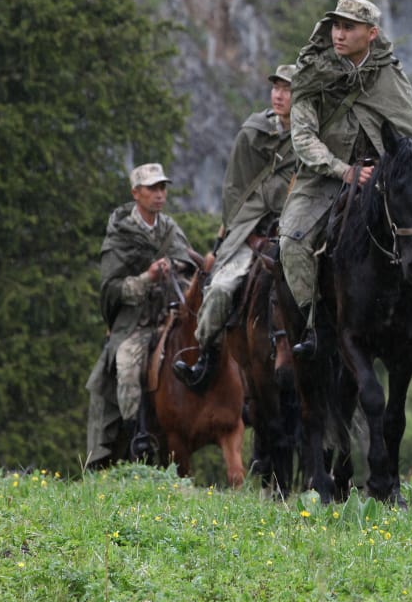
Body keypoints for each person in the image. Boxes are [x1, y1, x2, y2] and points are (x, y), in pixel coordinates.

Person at [280, 0, 412, 356]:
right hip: (324, 177)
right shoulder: (311, 71)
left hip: (381, 172)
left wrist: (407, 168)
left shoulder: (389, 74)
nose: (339, 34)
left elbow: (411, 132)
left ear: (371, 34)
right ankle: (311, 325)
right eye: (336, 26)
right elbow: (304, 137)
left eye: (348, 28)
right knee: (292, 241)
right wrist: (344, 170)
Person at [173, 64, 298, 390]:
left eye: (287, 89)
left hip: (296, 230)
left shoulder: (310, 138)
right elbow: (234, 192)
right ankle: (206, 358)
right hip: (252, 233)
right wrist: (222, 244)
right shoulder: (253, 132)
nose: (279, 95)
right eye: (276, 88)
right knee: (219, 291)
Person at [86, 163, 193, 468]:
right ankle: (137, 434)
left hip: (170, 317)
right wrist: (147, 278)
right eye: (152, 189)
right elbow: (112, 290)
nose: (160, 195)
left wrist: (176, 267)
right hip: (135, 324)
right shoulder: (120, 235)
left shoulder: (169, 228)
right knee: (126, 367)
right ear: (136, 193)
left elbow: (185, 260)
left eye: (163, 188)